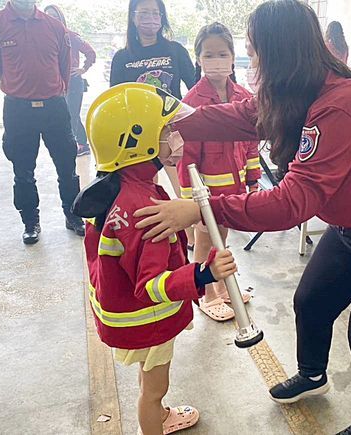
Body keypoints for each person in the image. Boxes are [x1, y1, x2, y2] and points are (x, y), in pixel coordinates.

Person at [133, 1, 351, 434]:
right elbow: (247, 116)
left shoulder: (337, 105)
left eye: (254, 49)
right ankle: (313, 375)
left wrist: (201, 209)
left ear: (279, 50)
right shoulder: (298, 88)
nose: (252, 59)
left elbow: (291, 203)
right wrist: (172, 123)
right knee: (312, 300)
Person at [73, 82, 237, 435]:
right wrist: (204, 274)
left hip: (122, 312)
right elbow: (150, 286)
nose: (176, 138)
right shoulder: (145, 209)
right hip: (146, 319)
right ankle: (154, 420)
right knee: (153, 390)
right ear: (138, 140)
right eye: (168, 131)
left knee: (148, 377)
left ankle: (158, 413)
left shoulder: (114, 189)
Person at [0, 0, 84, 245]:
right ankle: (30, 222)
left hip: (54, 107)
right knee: (23, 170)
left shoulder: (54, 26)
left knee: (67, 166)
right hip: (18, 109)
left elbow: (64, 65)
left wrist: (53, 93)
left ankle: (73, 215)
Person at [177, 22, 260, 322]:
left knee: (221, 239)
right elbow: (186, 158)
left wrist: (253, 180)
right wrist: (190, 201)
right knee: (204, 240)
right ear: (197, 58)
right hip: (205, 193)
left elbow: (252, 142)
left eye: (222, 54)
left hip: (234, 188)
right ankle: (204, 294)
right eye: (208, 55)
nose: (216, 60)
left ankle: (223, 286)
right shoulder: (191, 104)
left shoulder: (242, 95)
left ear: (232, 56)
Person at [110, 0, 196, 223]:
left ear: (162, 17)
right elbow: (115, 99)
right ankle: (154, 233)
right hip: (138, 134)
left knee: (184, 188)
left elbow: (195, 87)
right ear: (133, 17)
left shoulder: (175, 50)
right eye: (144, 13)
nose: (150, 18)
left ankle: (191, 236)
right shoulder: (122, 57)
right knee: (146, 189)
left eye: (155, 13)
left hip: (171, 130)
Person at [44, 5, 97, 157]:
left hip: (73, 81)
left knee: (71, 114)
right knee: (63, 114)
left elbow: (91, 53)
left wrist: (83, 69)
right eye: (48, 16)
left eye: (54, 16)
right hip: (56, 82)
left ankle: (76, 144)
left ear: (61, 18)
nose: (51, 19)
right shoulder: (44, 38)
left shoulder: (71, 36)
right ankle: (79, 143)